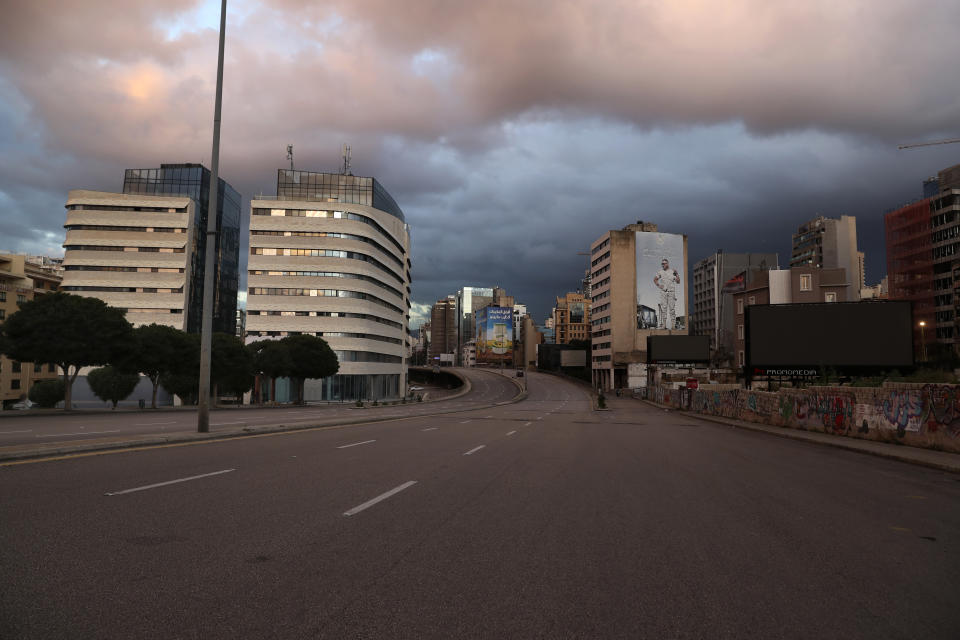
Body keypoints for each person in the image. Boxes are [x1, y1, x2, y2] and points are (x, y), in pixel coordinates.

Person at [653, 257, 680, 330]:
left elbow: (678, 281)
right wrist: (659, 285)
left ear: (667, 264)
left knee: (672, 309)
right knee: (663, 308)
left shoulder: (672, 271)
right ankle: (664, 325)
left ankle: (673, 325)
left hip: (671, 292)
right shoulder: (660, 272)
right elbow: (655, 279)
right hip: (664, 292)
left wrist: (677, 274)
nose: (663, 265)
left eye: (664, 263)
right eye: (662, 264)